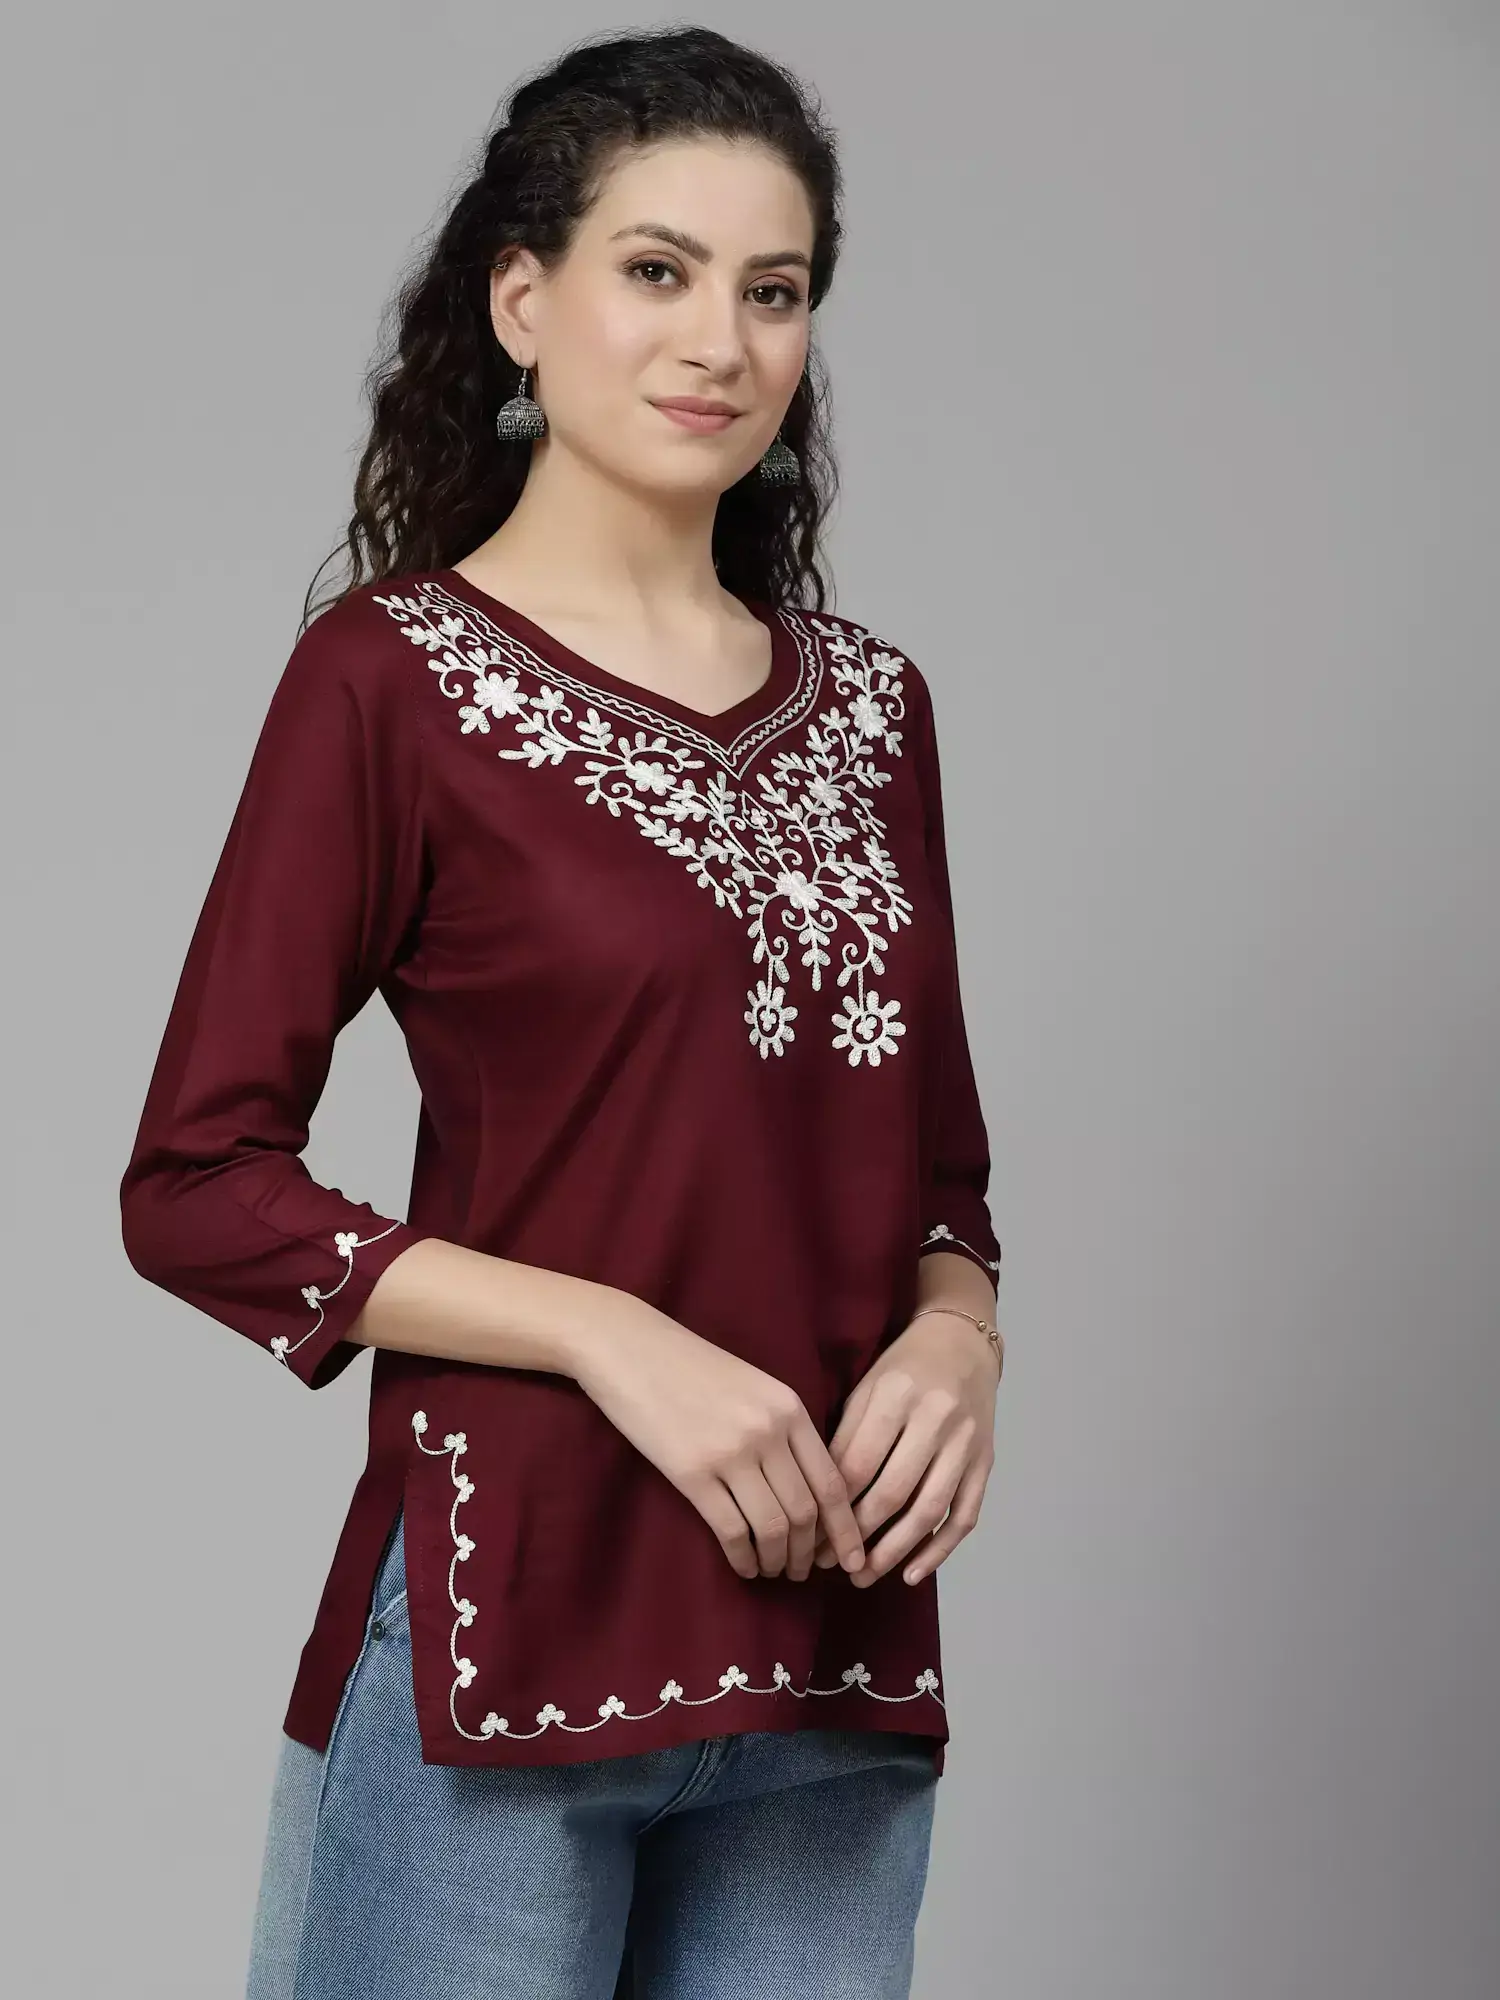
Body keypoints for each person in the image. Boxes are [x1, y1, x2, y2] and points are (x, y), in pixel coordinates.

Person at [119, 23, 1005, 1999]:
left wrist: (963, 1342)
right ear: (522, 302)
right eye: (658, 269)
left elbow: (941, 1182)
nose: (721, 340)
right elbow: (195, 1182)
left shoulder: (873, 712)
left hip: (836, 1661)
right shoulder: (393, 683)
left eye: (773, 290)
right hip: (505, 1637)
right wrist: (609, 1335)